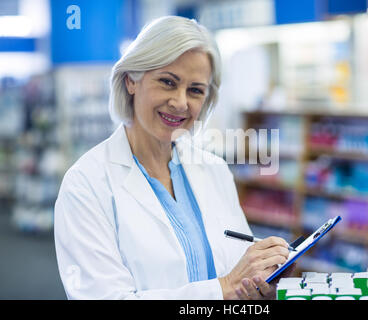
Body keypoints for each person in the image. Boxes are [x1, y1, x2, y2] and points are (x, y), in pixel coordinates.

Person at [54, 15, 292, 300]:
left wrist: (260, 284)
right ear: (132, 80)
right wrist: (223, 288)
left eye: (195, 90)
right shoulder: (86, 185)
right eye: (168, 82)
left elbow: (238, 274)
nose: (180, 103)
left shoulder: (214, 170)